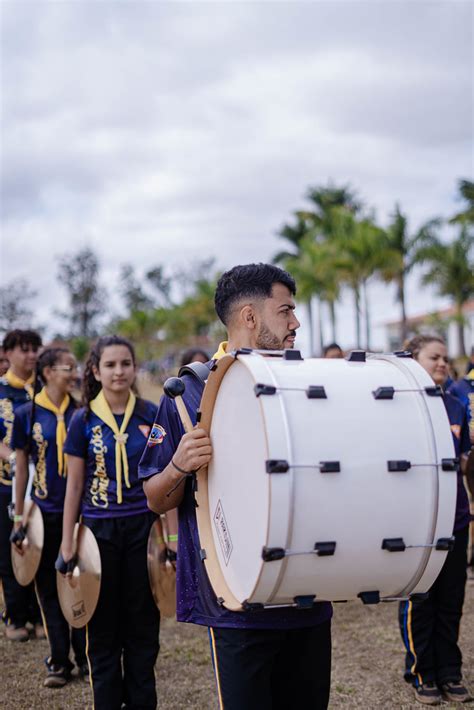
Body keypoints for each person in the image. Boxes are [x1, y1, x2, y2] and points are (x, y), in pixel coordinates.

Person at [139, 263, 332, 710]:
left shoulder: (310, 383)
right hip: (237, 605)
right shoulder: (188, 393)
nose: (296, 323)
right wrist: (179, 466)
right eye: (285, 311)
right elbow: (155, 497)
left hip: (308, 592)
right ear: (250, 317)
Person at [58, 335, 160, 710]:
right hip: (98, 532)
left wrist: (167, 539)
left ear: (134, 368)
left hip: (143, 530)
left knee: (142, 625)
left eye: (125, 364)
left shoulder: (152, 414)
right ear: (96, 371)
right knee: (101, 629)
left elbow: (163, 476)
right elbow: (75, 485)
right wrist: (68, 542)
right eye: (110, 365)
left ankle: (142, 701)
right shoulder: (82, 420)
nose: (119, 371)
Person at [398, 335, 472, 705]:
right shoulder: (396, 404)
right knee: (420, 599)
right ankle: (421, 670)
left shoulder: (457, 405)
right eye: (434, 357)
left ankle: (449, 670)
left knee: (451, 599)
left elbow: (463, 462)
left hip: (456, 519)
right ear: (413, 359)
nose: (442, 364)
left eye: (445, 358)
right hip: (418, 523)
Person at [11, 346, 87, 687]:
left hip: (80, 515)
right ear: (46, 373)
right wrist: (19, 518)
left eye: (74, 367)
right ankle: (59, 661)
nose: (73, 373)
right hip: (42, 514)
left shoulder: (82, 413)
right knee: (48, 589)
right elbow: (22, 472)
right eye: (66, 368)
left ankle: (86, 656)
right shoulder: (26, 414)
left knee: (82, 583)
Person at [0, 329, 44, 642]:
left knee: (40, 547)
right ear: (9, 353)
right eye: (24, 350)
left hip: (42, 486)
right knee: (10, 549)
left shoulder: (44, 389)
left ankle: (40, 615)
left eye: (34, 350)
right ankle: (16, 616)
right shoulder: (1, 390)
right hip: (6, 483)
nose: (30, 356)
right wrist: (15, 459)